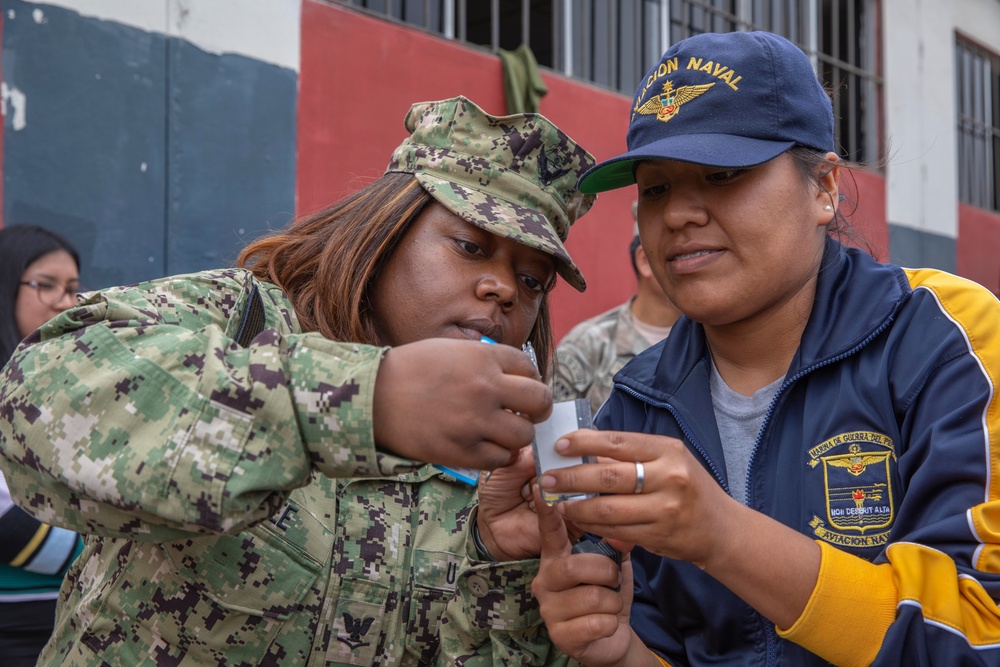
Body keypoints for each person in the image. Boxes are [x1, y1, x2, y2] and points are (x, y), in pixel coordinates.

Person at [0, 96, 597, 666]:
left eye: (532, 281)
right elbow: (39, 396)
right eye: (470, 246)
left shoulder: (502, 458)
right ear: (385, 230)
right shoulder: (242, 319)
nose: (503, 290)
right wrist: (363, 399)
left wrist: (499, 567)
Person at [529, 31, 1000, 667]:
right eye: (656, 189)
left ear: (824, 189)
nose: (677, 216)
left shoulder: (946, 339)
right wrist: (619, 650)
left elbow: (979, 633)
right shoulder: (637, 405)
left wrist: (725, 536)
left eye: (722, 175)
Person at [0, 225, 85, 667]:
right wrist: (98, 552)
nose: (64, 303)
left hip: (80, 621)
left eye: (72, 289)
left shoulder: (78, 384)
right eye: (44, 286)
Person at [552, 201, 681, 415]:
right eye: (679, 254)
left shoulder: (713, 343)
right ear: (645, 262)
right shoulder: (588, 346)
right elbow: (553, 440)